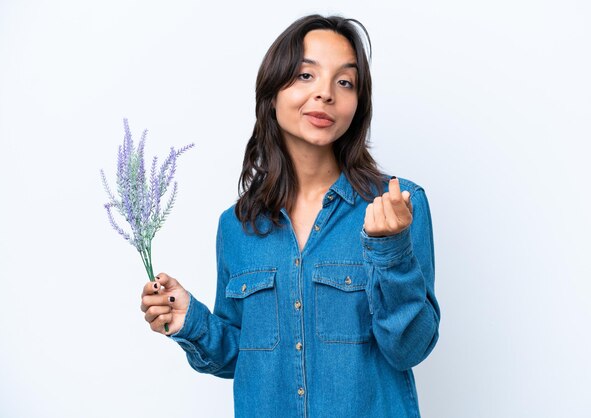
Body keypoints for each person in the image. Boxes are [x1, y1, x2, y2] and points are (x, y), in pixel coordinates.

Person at [140, 14, 440, 418]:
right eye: (305, 76)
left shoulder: (399, 206)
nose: (326, 94)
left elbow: (409, 349)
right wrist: (190, 320)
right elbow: (245, 357)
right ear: (272, 93)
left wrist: (391, 251)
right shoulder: (237, 227)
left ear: (358, 103)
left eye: (345, 81)